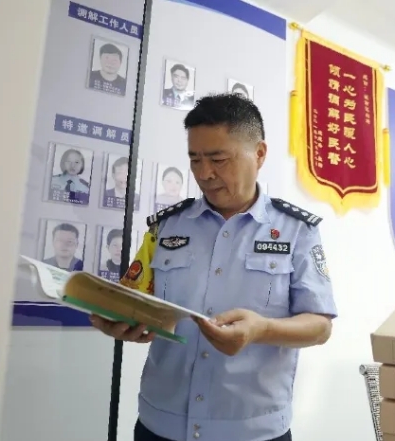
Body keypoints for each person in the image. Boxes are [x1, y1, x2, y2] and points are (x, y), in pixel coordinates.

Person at [91, 93, 337, 441]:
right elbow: (133, 297)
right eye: (195, 159)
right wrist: (118, 320)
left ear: (259, 154)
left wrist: (262, 330)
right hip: (160, 426)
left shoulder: (297, 231)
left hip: (252, 431)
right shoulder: (166, 228)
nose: (205, 174)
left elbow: (320, 326)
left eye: (219, 159)